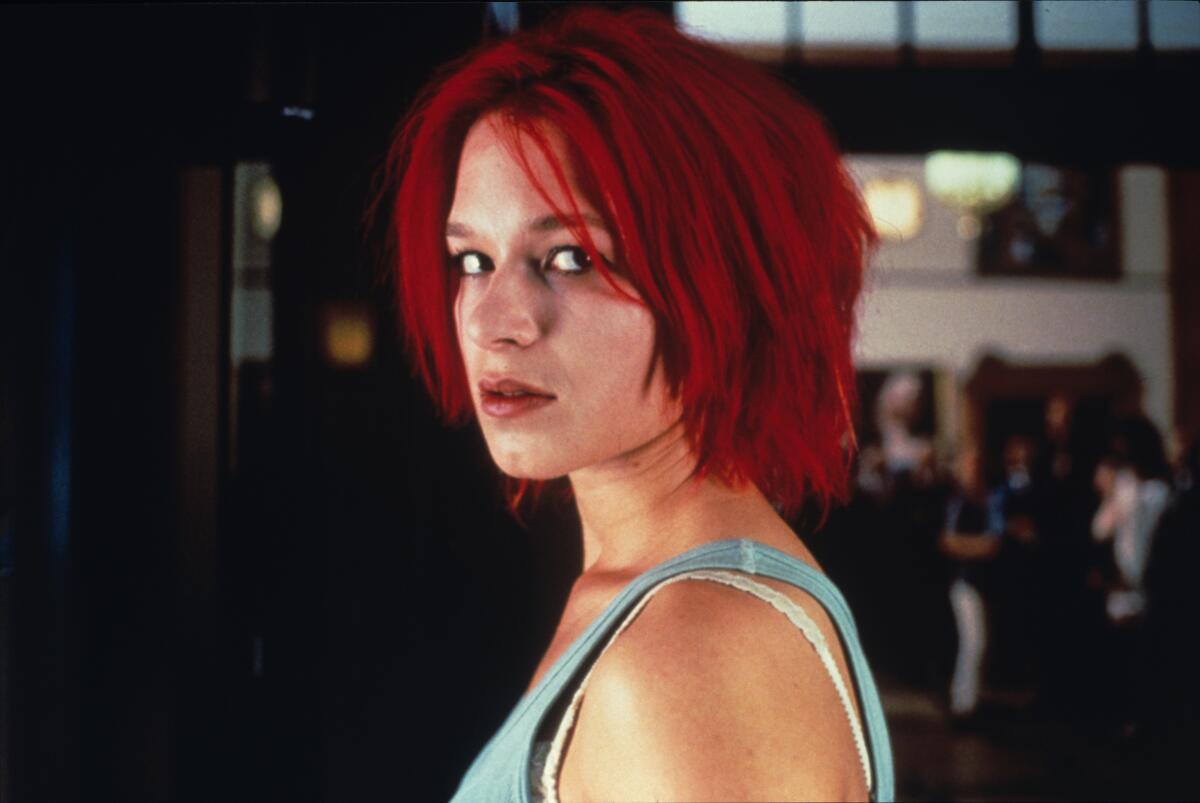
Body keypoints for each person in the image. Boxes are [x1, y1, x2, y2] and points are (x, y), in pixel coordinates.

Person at [377, 8, 894, 801]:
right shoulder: (651, 599)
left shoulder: (692, 655)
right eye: (472, 258)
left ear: (727, 281)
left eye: (571, 257)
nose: (491, 319)